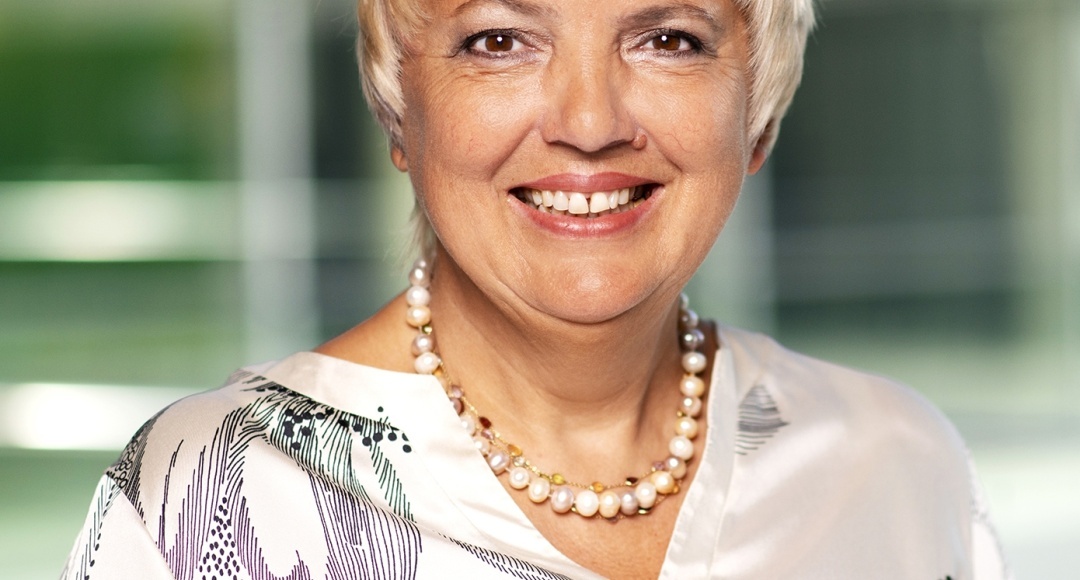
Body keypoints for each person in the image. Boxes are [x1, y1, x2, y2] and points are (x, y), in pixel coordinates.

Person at [63, 0, 1010, 578]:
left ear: (757, 117)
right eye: (499, 39)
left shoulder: (893, 463)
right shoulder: (209, 494)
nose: (589, 122)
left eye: (668, 39)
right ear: (398, 109)